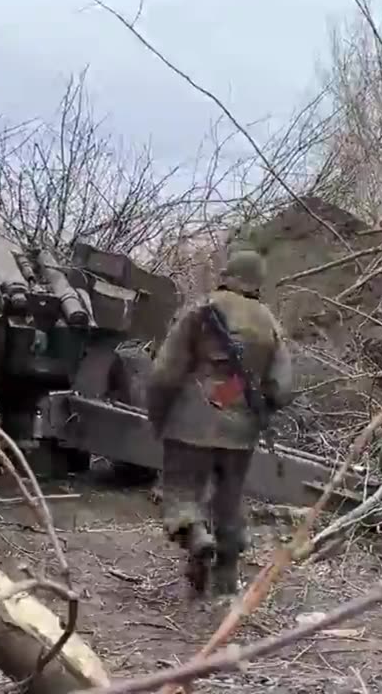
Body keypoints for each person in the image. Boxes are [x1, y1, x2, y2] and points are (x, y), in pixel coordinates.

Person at [146, 250, 296, 596]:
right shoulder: (269, 323)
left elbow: (165, 373)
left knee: (182, 492)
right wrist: (258, 409)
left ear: (227, 273)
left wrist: (159, 416)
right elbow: (282, 386)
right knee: (228, 501)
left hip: (190, 423)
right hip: (241, 433)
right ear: (258, 282)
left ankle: (196, 535)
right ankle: (225, 580)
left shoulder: (201, 309)